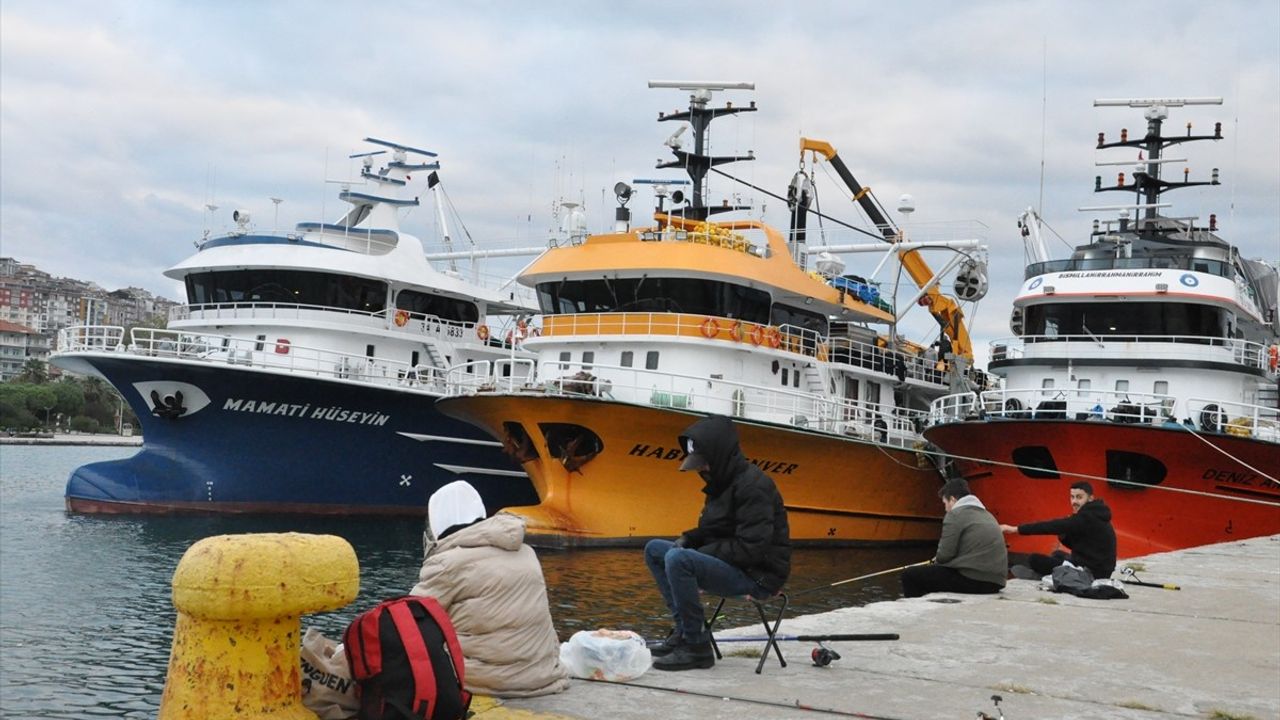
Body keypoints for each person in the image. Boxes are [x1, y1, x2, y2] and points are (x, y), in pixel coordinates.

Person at [643, 415, 792, 671]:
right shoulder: (720, 483)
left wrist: (695, 553)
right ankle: (683, 631)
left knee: (678, 559)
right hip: (735, 565)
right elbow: (713, 530)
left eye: (703, 464)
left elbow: (751, 548)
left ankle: (697, 648)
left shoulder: (753, 487)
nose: (700, 470)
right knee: (655, 549)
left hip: (757, 575)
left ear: (720, 456)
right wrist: (688, 538)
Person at [409, 480, 568, 697]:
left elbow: (409, 619)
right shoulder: (527, 553)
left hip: (482, 680)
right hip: (542, 675)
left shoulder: (446, 563)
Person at [901, 479, 1007, 598]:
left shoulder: (955, 514)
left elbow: (944, 556)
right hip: (996, 582)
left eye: (945, 503)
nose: (945, 508)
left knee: (909, 575)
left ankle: (918, 612)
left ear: (952, 499)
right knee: (935, 574)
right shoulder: (987, 515)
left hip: (975, 581)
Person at [999, 481, 1117, 579]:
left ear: (1090, 498)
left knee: (1034, 559)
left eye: (1079, 497)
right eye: (1072, 497)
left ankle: (1046, 575)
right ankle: (1053, 572)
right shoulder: (1096, 514)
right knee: (1058, 554)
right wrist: (1064, 535)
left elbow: (1050, 526)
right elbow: (1082, 546)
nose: (1074, 501)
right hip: (1098, 568)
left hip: (1091, 573)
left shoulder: (1086, 517)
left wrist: (1016, 529)